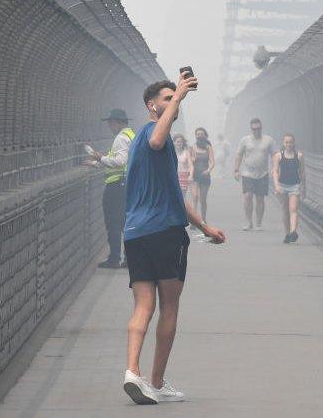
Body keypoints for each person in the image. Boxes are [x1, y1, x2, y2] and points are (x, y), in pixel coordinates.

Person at [121, 76, 227, 405]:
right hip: (165, 234)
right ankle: (156, 381)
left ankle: (132, 371)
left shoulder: (139, 139)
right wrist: (180, 96)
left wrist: (204, 226)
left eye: (174, 98)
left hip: (135, 234)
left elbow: (175, 196)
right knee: (168, 308)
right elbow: (157, 138)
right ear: (152, 106)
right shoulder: (156, 139)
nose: (173, 103)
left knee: (142, 307)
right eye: (165, 99)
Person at [86, 109, 135, 269]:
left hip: (116, 185)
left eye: (110, 122)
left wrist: (99, 157)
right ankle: (129, 258)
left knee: (113, 222)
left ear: (118, 122)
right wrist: (96, 162)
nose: (109, 126)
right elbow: (117, 159)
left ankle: (114, 258)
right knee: (125, 222)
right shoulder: (130, 136)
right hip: (126, 184)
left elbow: (120, 161)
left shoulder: (120, 138)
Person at [234, 117, 276, 231]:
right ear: (251, 129)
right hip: (247, 173)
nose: (256, 131)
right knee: (247, 197)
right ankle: (249, 222)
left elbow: (275, 155)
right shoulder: (245, 140)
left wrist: (275, 169)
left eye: (258, 128)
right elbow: (239, 154)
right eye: (254, 129)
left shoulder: (269, 140)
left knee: (260, 198)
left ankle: (258, 223)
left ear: (261, 128)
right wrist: (236, 170)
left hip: (262, 173)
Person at [272, 133, 305, 243]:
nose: (288, 144)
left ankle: (293, 232)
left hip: (295, 185)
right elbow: (275, 172)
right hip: (282, 185)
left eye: (290, 142)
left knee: (293, 209)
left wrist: (304, 188)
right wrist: (276, 186)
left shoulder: (299, 156)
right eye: (286, 142)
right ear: (283, 143)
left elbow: (302, 173)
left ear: (294, 143)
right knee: (285, 210)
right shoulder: (278, 156)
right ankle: (287, 234)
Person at [188, 127, 214, 224]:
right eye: (198, 134)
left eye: (201, 134)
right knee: (195, 198)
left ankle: (203, 219)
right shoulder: (192, 147)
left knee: (203, 199)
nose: (199, 136)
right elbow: (190, 162)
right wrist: (190, 173)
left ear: (204, 135)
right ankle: (194, 220)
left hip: (205, 176)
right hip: (194, 175)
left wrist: (208, 170)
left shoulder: (208, 147)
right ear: (195, 136)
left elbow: (212, 161)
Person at [173, 134, 194, 200]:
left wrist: (191, 176)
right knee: (174, 196)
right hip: (174, 176)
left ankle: (182, 209)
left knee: (182, 196)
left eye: (181, 142)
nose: (179, 143)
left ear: (183, 143)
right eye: (177, 142)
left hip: (184, 176)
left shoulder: (186, 153)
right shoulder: (171, 153)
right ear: (174, 143)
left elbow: (191, 166)